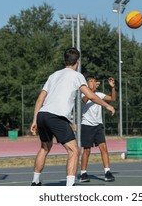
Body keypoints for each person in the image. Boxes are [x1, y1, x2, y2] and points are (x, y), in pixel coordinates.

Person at [29, 47, 115, 186]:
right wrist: (107, 105)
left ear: (65, 60)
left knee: (45, 148)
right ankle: (70, 187)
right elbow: (90, 95)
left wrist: (35, 120)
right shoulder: (77, 75)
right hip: (56, 116)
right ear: (78, 61)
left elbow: (40, 99)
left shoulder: (54, 75)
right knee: (74, 150)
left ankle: (35, 181)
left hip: (42, 114)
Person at [79, 76, 116, 183]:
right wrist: (90, 89)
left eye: (94, 81)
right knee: (86, 150)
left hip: (98, 125)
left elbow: (113, 99)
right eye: (90, 81)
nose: (92, 82)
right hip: (87, 125)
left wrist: (112, 87)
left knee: (103, 148)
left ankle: (107, 172)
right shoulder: (83, 94)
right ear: (86, 84)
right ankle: (83, 173)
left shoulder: (99, 94)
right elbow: (87, 99)